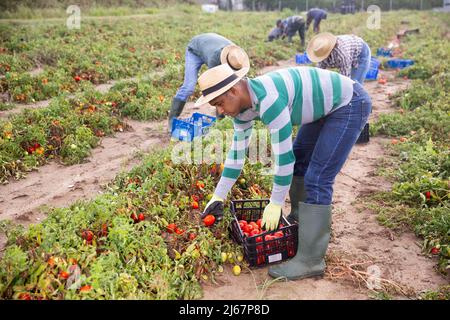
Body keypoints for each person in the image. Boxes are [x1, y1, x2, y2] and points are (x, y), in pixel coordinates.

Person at [199, 63, 371, 280]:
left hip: (349, 103)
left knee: (317, 178)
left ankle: (311, 260)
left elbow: (284, 158)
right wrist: (218, 196)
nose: (220, 111)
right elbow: (236, 155)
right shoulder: (242, 110)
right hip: (324, 108)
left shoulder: (269, 100)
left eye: (219, 104)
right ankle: (302, 223)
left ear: (234, 90)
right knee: (301, 162)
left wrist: (276, 202)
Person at [168, 33, 250, 133]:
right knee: (188, 87)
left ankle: (221, 121)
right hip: (195, 50)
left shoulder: (237, 56)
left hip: (208, 44)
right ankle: (172, 121)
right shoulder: (214, 58)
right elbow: (216, 88)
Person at [307, 32, 371, 84]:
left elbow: (345, 80)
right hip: (350, 51)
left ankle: (359, 99)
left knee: (354, 83)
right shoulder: (321, 51)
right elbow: (318, 72)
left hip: (361, 52)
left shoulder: (341, 54)